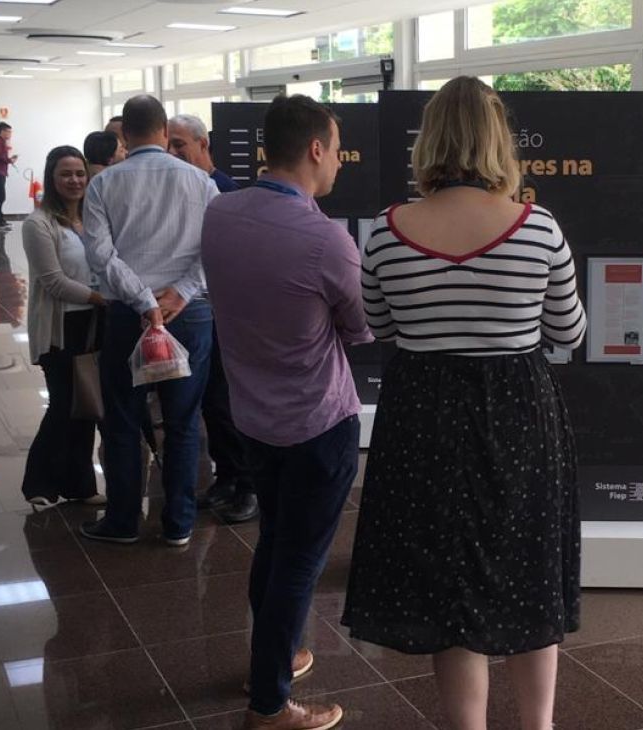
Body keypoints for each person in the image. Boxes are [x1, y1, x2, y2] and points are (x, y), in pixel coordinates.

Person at [341, 77, 587, 730]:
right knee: (529, 570)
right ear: (498, 141)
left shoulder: (387, 232)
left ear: (429, 142)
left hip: (422, 412)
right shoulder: (538, 228)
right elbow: (569, 331)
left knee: (446, 581)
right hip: (519, 410)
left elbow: (380, 326)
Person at [202, 94, 369, 730]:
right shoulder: (325, 239)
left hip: (252, 416)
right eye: (337, 150)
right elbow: (359, 328)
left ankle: (275, 656)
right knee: (298, 563)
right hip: (317, 423)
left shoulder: (220, 212)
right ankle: (269, 705)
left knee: (275, 543)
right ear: (316, 149)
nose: (340, 163)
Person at [81, 94, 218, 546]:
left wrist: (143, 301)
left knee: (123, 419)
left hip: (128, 317)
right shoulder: (201, 183)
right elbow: (216, 248)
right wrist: (180, 292)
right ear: (164, 132)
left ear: (125, 134)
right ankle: (178, 524)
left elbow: (101, 256)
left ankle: (123, 521)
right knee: (183, 422)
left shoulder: (103, 185)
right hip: (189, 315)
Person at [168, 113, 256, 523]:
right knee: (210, 402)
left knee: (230, 402)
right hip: (195, 313)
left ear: (203, 145)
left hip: (227, 315)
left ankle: (249, 486)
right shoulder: (178, 189)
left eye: (180, 144)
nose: (173, 153)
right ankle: (227, 477)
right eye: (168, 145)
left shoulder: (226, 192)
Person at [20, 145, 107, 507]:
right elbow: (54, 281)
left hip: (94, 322)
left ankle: (80, 486)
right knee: (62, 405)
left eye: (79, 173)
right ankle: (38, 484)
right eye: (65, 174)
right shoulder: (38, 224)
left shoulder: (93, 218)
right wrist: (102, 298)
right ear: (52, 179)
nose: (74, 180)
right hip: (61, 325)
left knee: (86, 404)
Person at [169, 114, 239, 193]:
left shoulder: (227, 190)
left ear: (203, 144)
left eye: (178, 145)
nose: (171, 152)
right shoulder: (171, 186)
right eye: (166, 146)